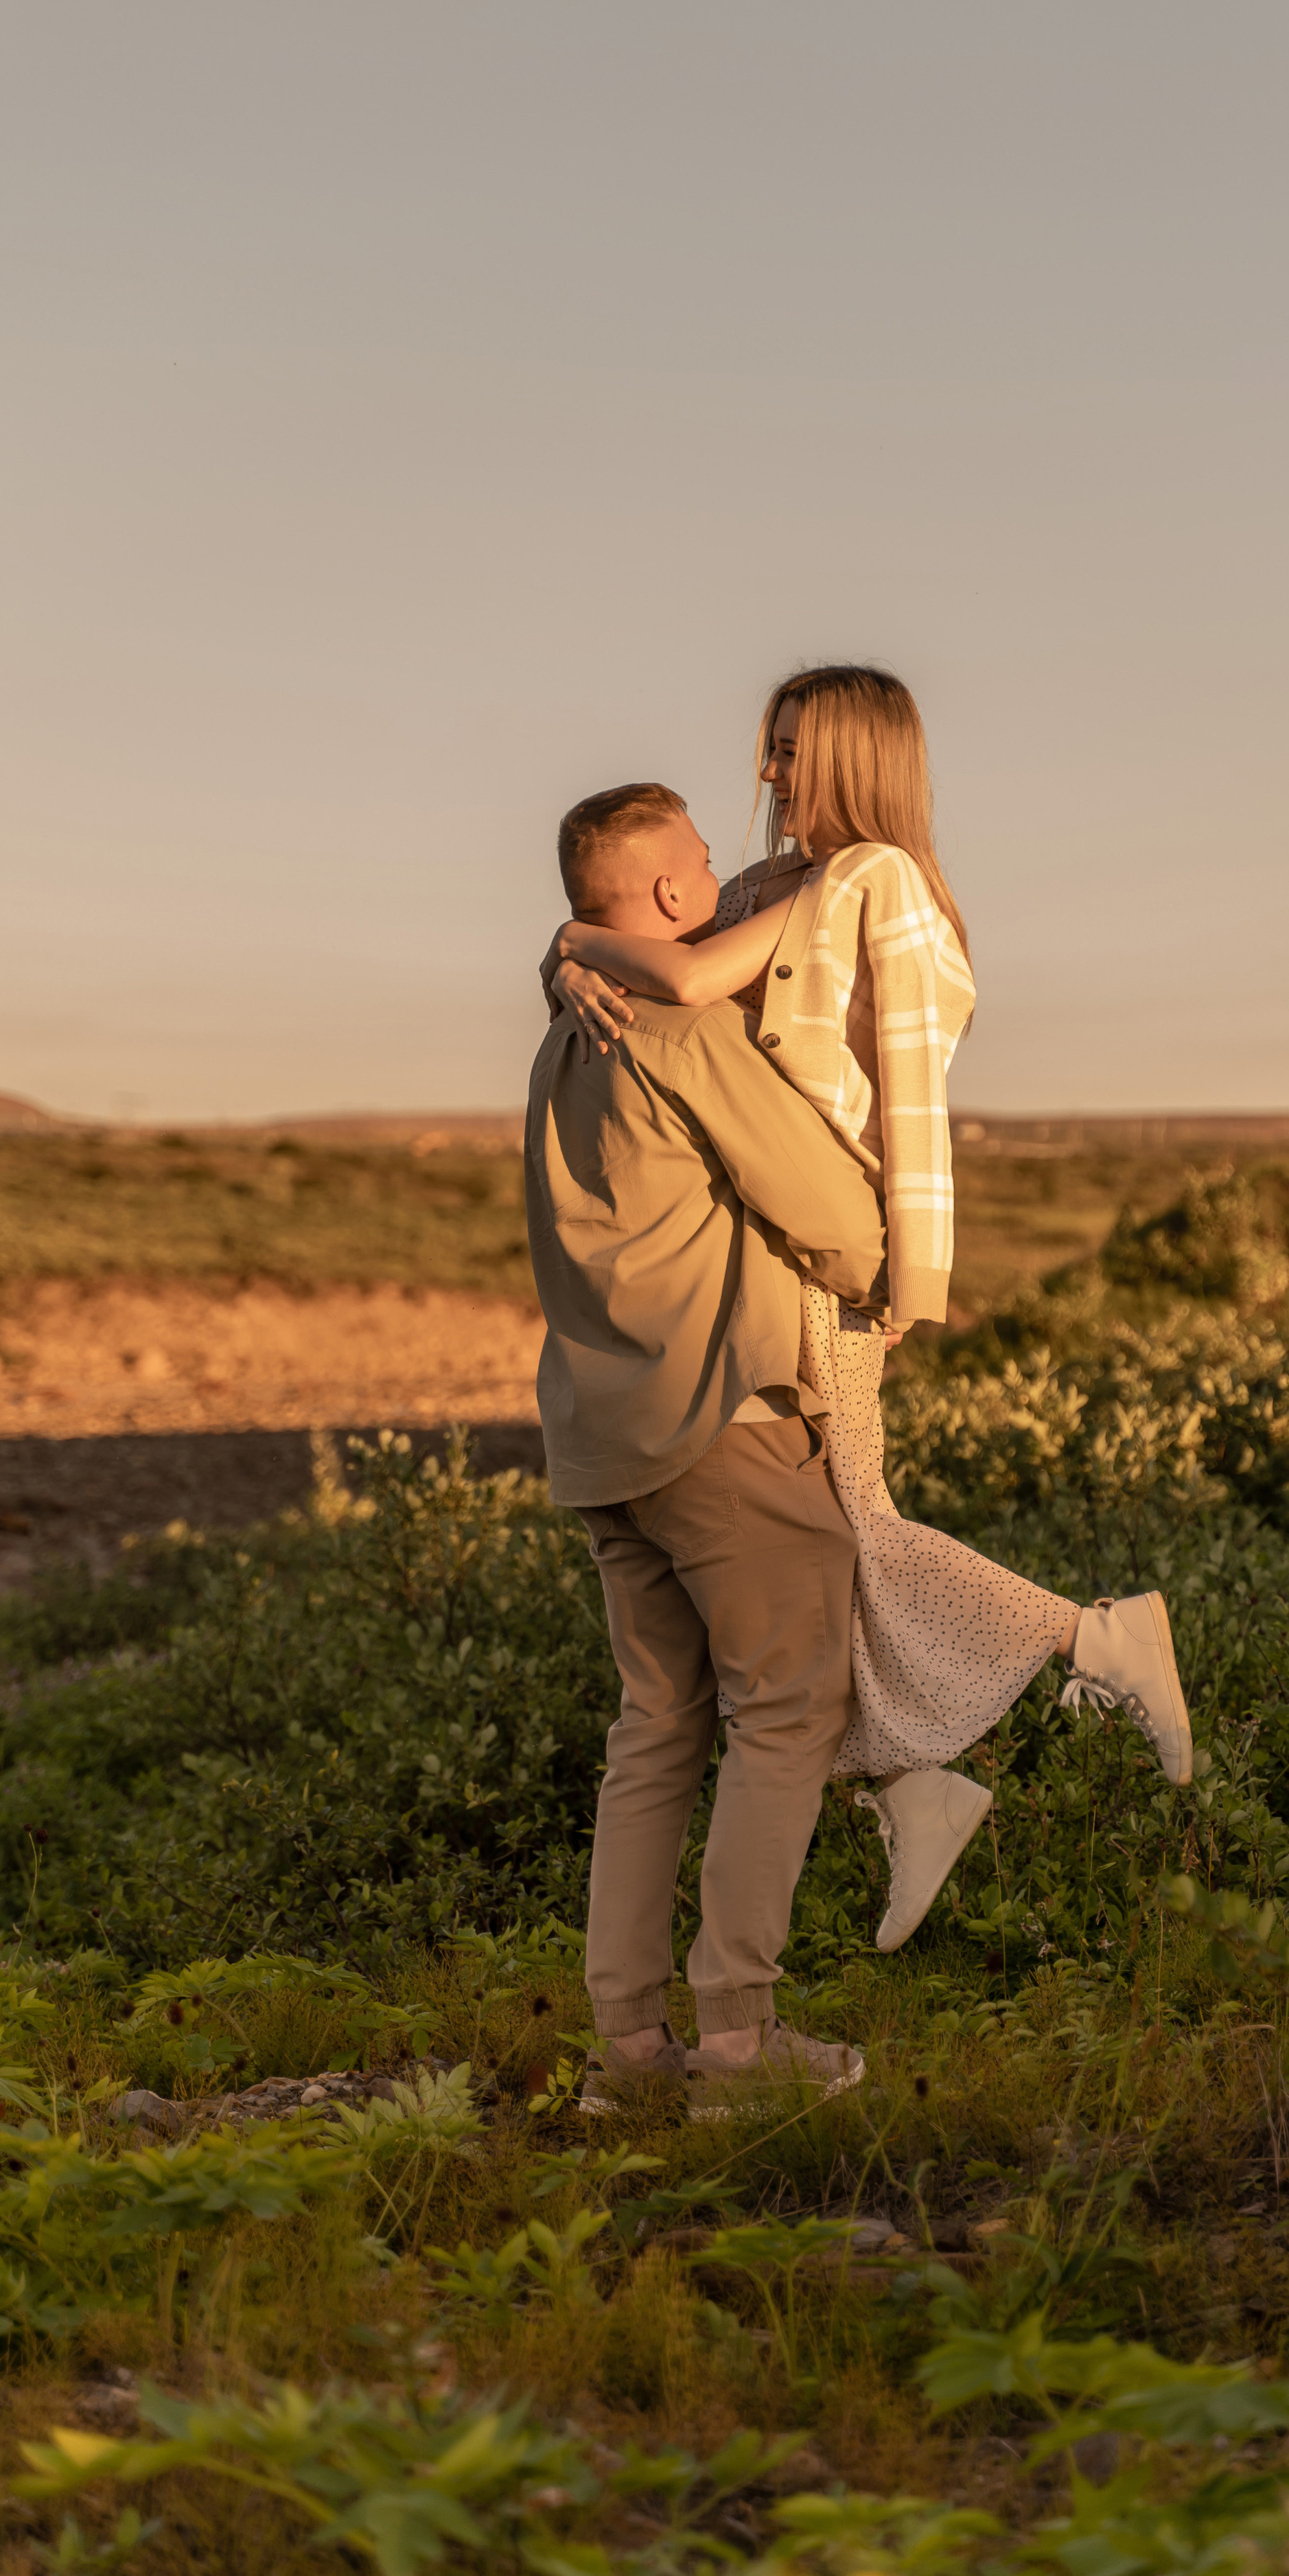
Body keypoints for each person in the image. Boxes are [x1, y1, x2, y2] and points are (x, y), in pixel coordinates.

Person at [544, 668, 1194, 1954]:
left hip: (828, 1256)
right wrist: (568, 949)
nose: (769, 773)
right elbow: (650, 944)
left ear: (853, 754)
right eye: (769, 747)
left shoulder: (875, 881)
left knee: (849, 1536)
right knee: (828, 1550)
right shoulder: (773, 888)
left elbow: (905, 1088)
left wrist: (912, 1276)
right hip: (769, 1255)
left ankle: (1095, 1641)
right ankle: (916, 1792)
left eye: (791, 751)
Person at [526, 777, 894, 2119]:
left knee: (655, 1732)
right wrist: (887, 1277)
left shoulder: (562, 1040)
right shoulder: (681, 1033)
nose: (721, 876)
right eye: (702, 864)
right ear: (673, 899)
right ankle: (737, 2045)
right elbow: (831, 1210)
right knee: (785, 1717)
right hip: (722, 1428)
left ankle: (628, 2057)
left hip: (600, 1436)